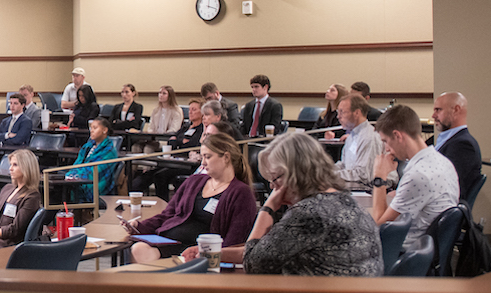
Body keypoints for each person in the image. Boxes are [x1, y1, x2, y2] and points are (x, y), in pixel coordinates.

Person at [197, 131, 381, 276]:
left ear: (293, 174)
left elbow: (253, 262)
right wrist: (214, 253)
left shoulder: (308, 213)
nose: (273, 187)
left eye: (275, 178)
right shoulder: (347, 201)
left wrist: (266, 210)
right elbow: (270, 249)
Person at [125, 133, 256, 263]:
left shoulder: (241, 193)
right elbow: (167, 215)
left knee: (142, 255)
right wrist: (139, 226)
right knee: (137, 249)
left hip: (198, 254)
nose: (203, 162)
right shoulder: (194, 181)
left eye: (208, 157)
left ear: (226, 157)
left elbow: (234, 242)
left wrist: (205, 253)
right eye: (202, 156)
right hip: (169, 243)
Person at [371, 105, 460, 252]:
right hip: (430, 248)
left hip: (405, 252)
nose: (386, 149)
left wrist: (379, 178)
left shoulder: (418, 175)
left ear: (398, 136)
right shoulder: (444, 162)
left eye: (386, 141)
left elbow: (378, 225)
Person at [431, 91, 483, 202]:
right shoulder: (451, 140)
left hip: (444, 208)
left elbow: (445, 185)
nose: (433, 116)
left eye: (438, 110)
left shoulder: (463, 145)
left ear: (456, 110)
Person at [334, 94, 383, 189]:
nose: (338, 117)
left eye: (342, 112)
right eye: (338, 112)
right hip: (354, 186)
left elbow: (363, 175)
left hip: (370, 190)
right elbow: (344, 165)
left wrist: (331, 175)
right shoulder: (351, 136)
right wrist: (324, 171)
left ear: (357, 113)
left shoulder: (369, 137)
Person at [68, 117, 118, 201]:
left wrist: (75, 176)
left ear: (104, 130)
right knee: (57, 188)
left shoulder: (109, 151)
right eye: (91, 128)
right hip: (80, 179)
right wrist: (72, 174)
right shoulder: (87, 147)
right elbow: (77, 164)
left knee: (67, 189)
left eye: (95, 128)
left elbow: (95, 171)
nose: (91, 130)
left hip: (95, 184)